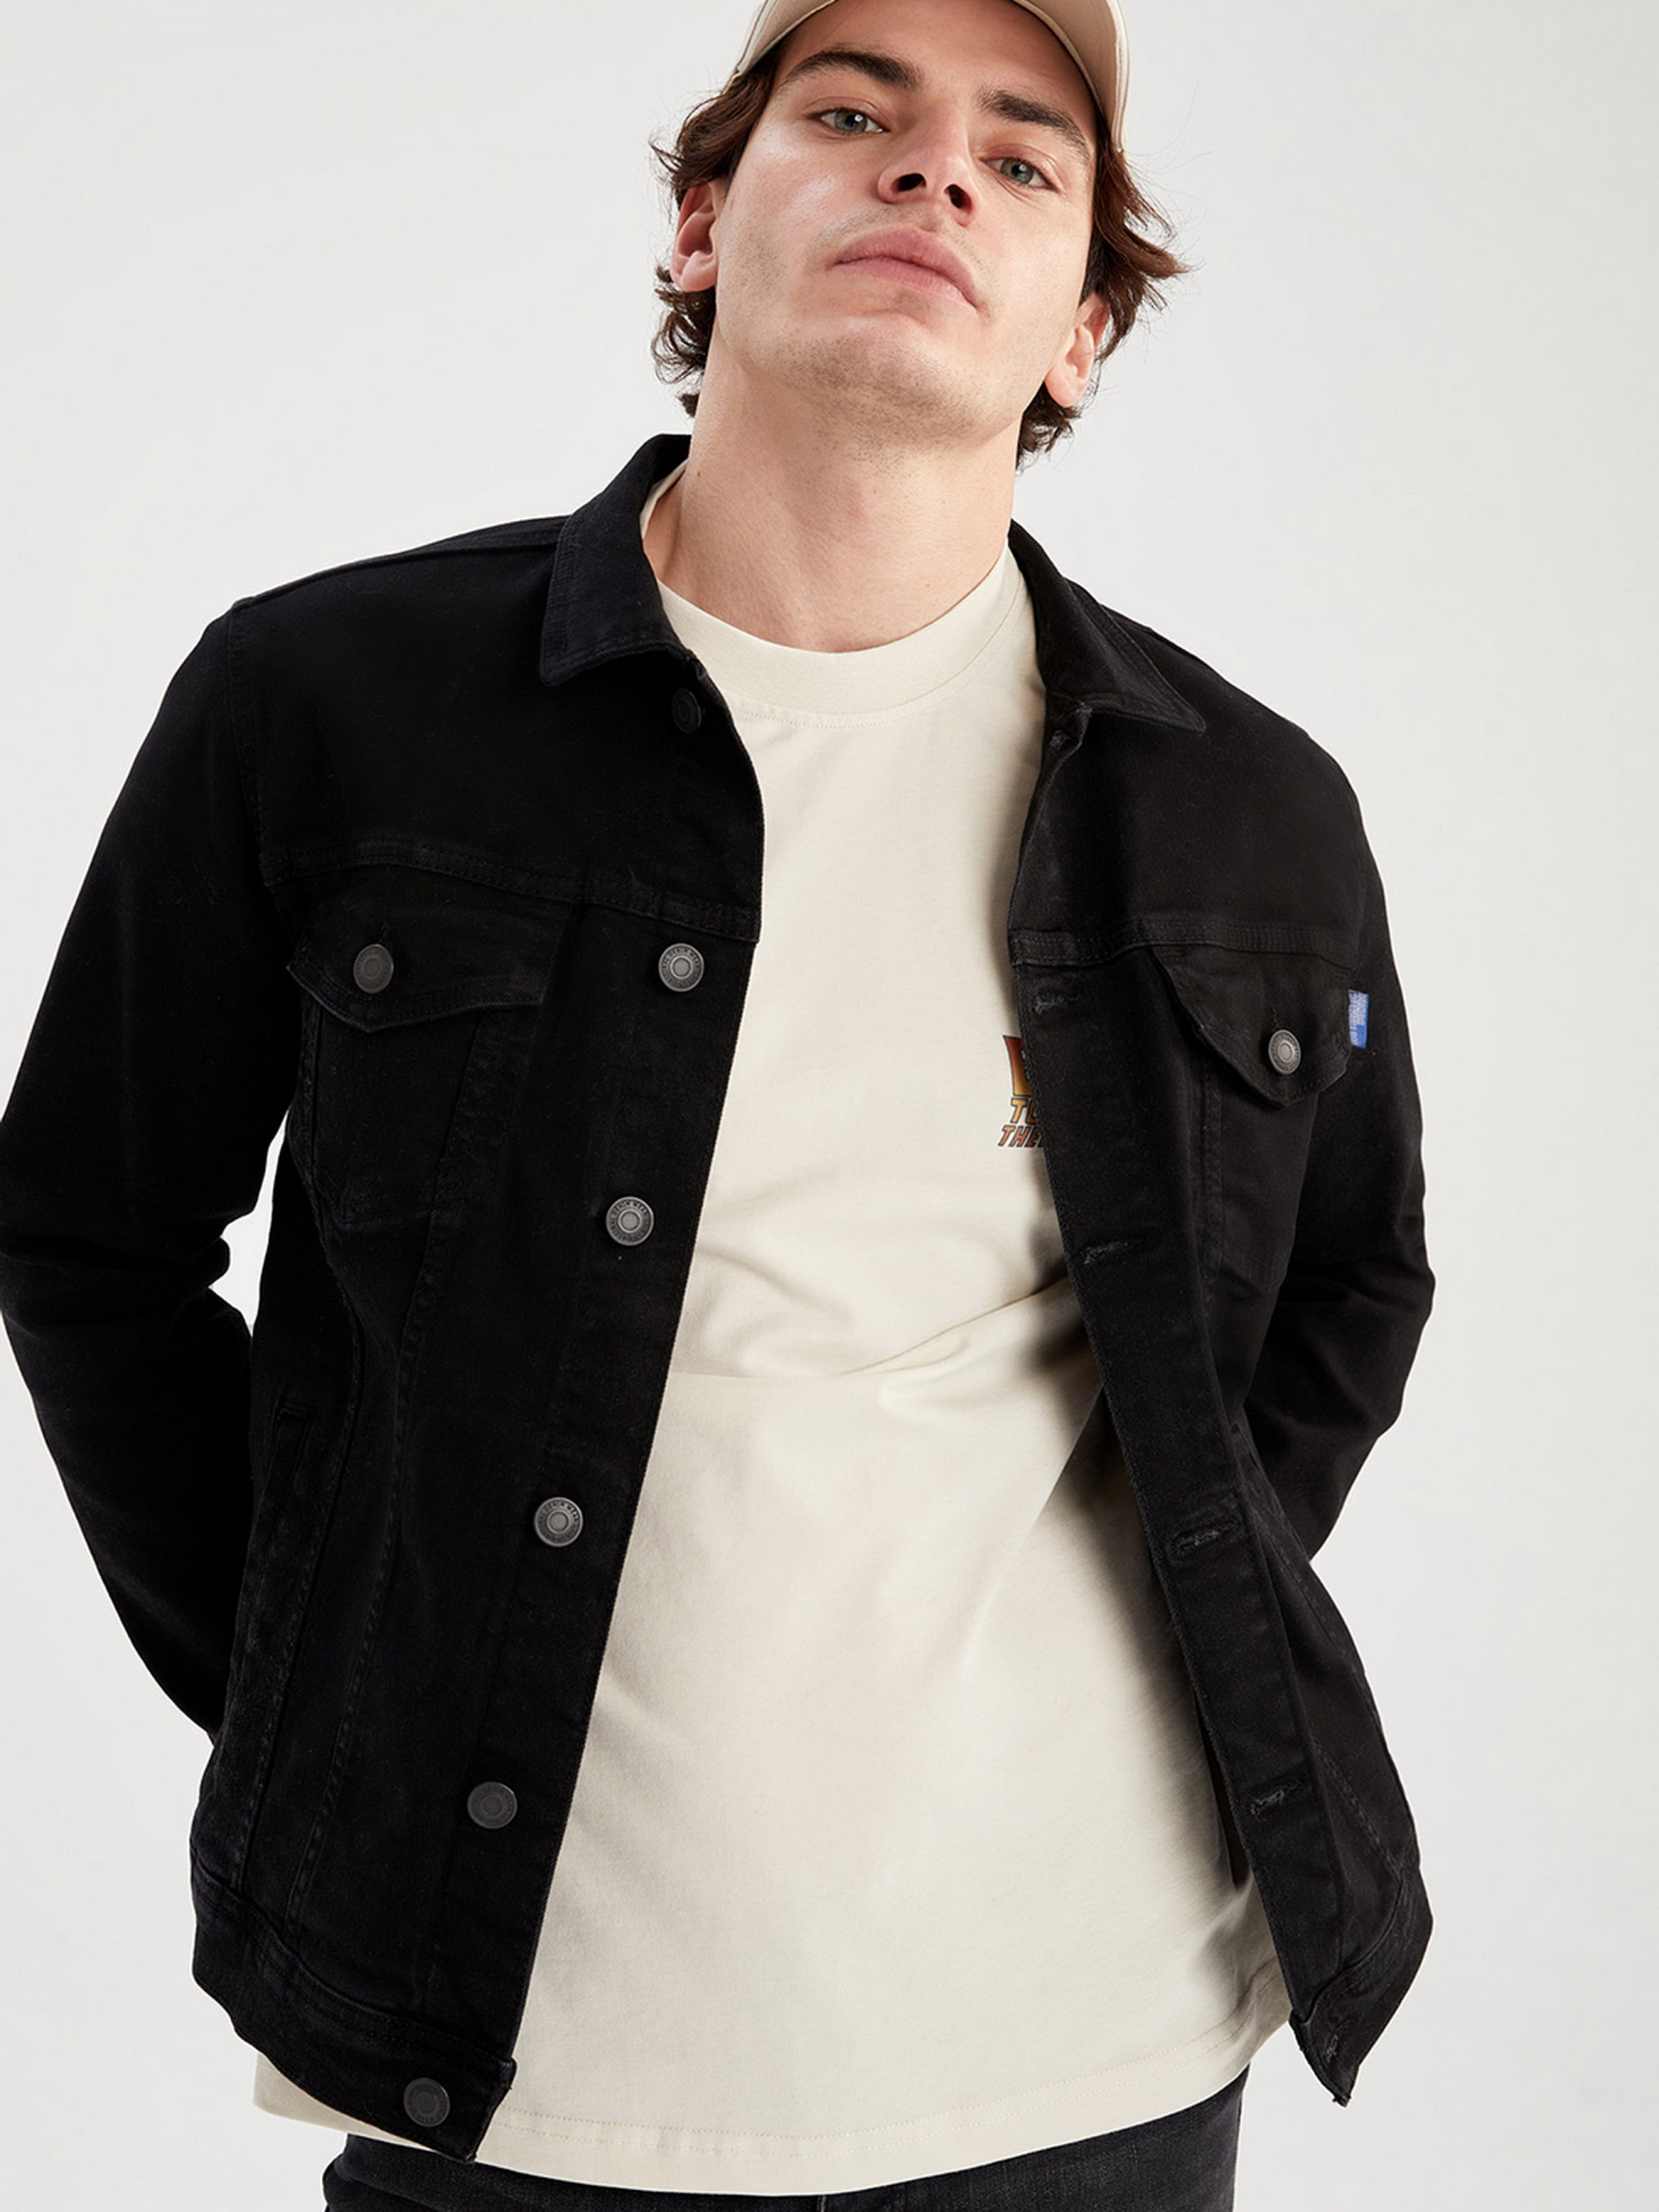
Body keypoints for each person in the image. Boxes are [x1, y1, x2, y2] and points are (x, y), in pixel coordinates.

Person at [0, 2, 1437, 2209]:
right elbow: (86, 1233)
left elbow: (1351, 1280)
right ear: (701, 226)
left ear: (1082, 330)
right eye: (850, 113)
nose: (931, 169)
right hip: (510, 2057)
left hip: (1103, 2043)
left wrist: (1171, 1612)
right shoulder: (329, 701)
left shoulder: (1247, 807)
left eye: (1022, 158)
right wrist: (341, 1673)